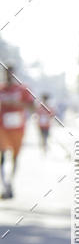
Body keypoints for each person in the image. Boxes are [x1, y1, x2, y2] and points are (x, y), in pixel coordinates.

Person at [0, 65, 34, 199]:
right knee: (2, 156)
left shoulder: (22, 89)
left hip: (18, 129)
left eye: (10, 73)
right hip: (2, 128)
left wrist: (17, 104)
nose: (8, 75)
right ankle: (4, 184)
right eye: (6, 73)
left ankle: (10, 182)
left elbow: (32, 106)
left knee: (14, 157)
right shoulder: (1, 89)